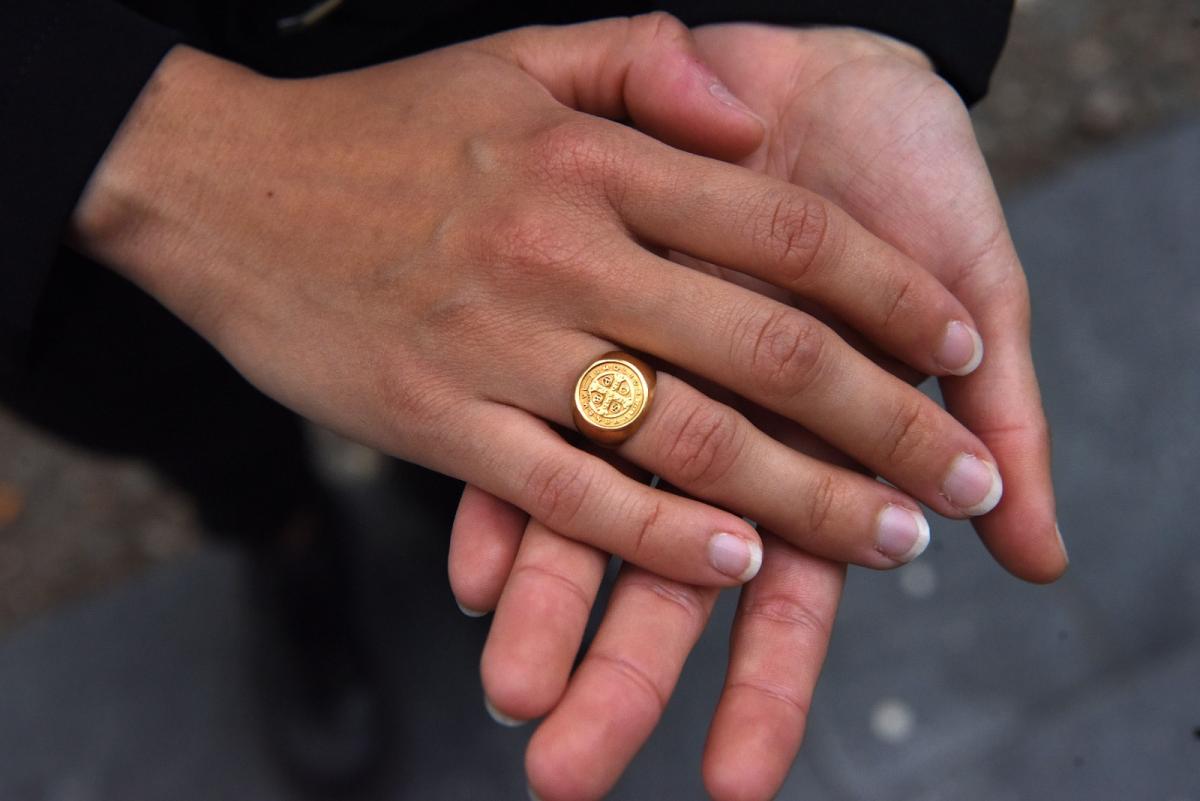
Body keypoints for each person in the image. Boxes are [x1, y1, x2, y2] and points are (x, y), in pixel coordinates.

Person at [1, 2, 1066, 799]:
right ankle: (282, 538)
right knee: (188, 423)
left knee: (495, 425)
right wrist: (143, 142)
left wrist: (862, 20)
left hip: (556, 77)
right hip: (73, 229)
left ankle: (435, 493)